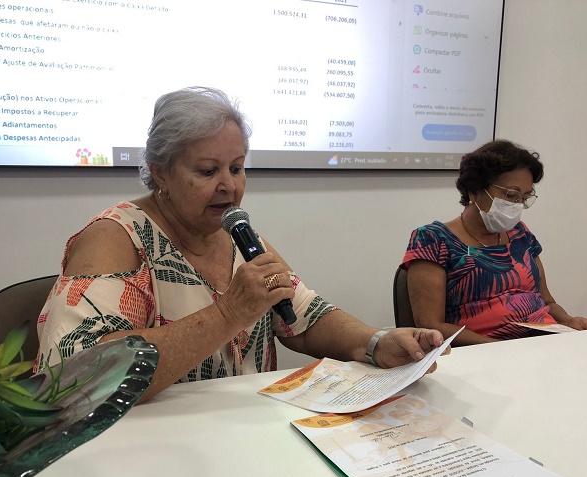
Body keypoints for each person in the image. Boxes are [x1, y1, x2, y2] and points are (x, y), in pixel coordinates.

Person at [37, 87, 448, 401]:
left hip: (239, 432)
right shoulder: (116, 237)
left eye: (236, 168)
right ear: (160, 172)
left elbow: (303, 317)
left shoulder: (238, 236)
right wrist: (229, 313)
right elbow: (77, 373)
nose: (229, 186)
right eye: (208, 171)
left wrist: (376, 343)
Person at [400, 139, 587, 346]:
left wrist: (569, 321)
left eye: (524, 197)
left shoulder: (520, 234)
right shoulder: (432, 239)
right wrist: (499, 348)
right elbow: (431, 325)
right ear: (474, 190)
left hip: (541, 344)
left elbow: (546, 301)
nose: (517, 205)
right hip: (482, 351)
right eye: (511, 195)